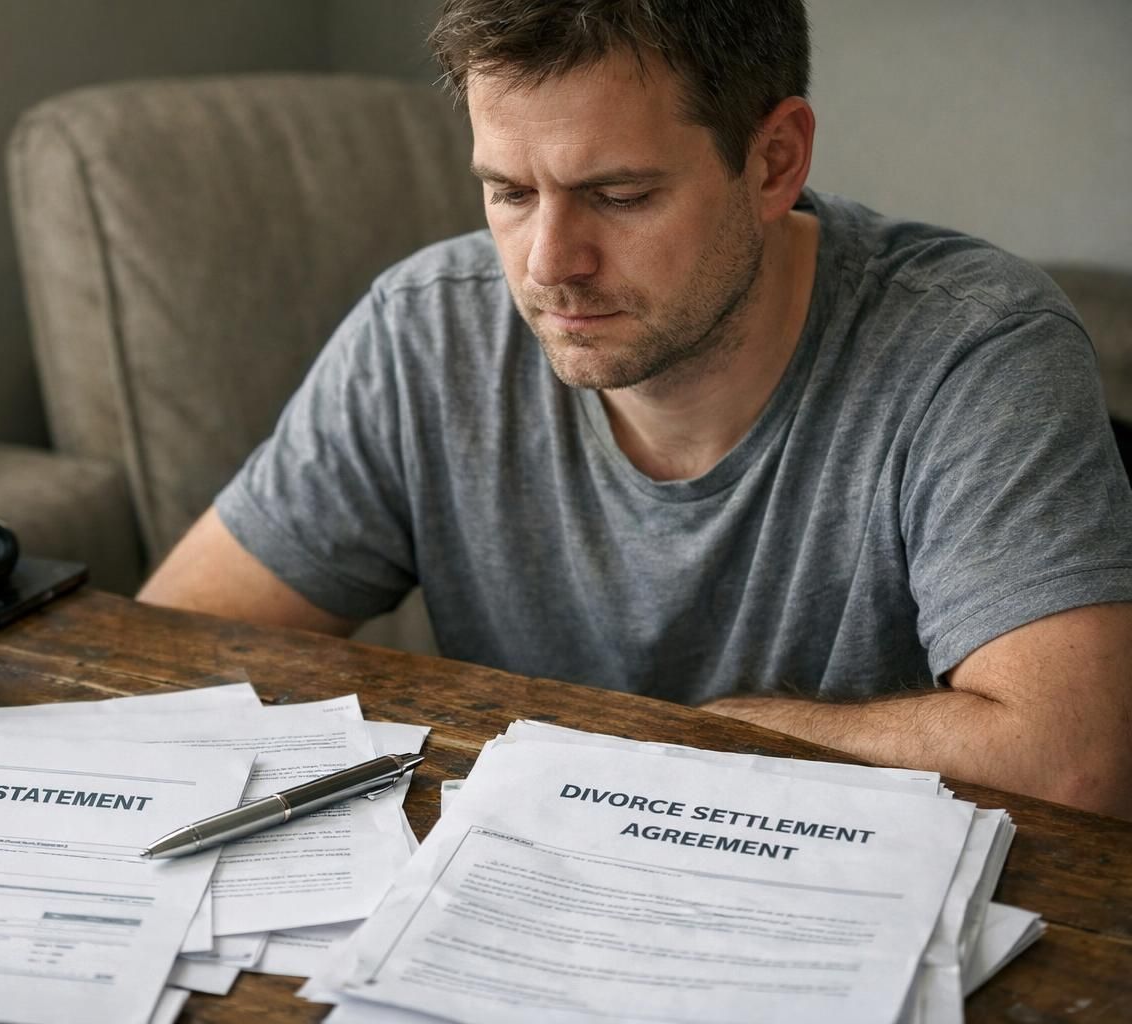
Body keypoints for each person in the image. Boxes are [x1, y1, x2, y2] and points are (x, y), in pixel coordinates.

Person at [139, 0, 1132, 818]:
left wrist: (689, 741)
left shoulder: (974, 346)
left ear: (775, 161)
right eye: (509, 192)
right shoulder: (426, 333)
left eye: (617, 194)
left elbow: (1071, 761)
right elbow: (173, 649)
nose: (547, 267)